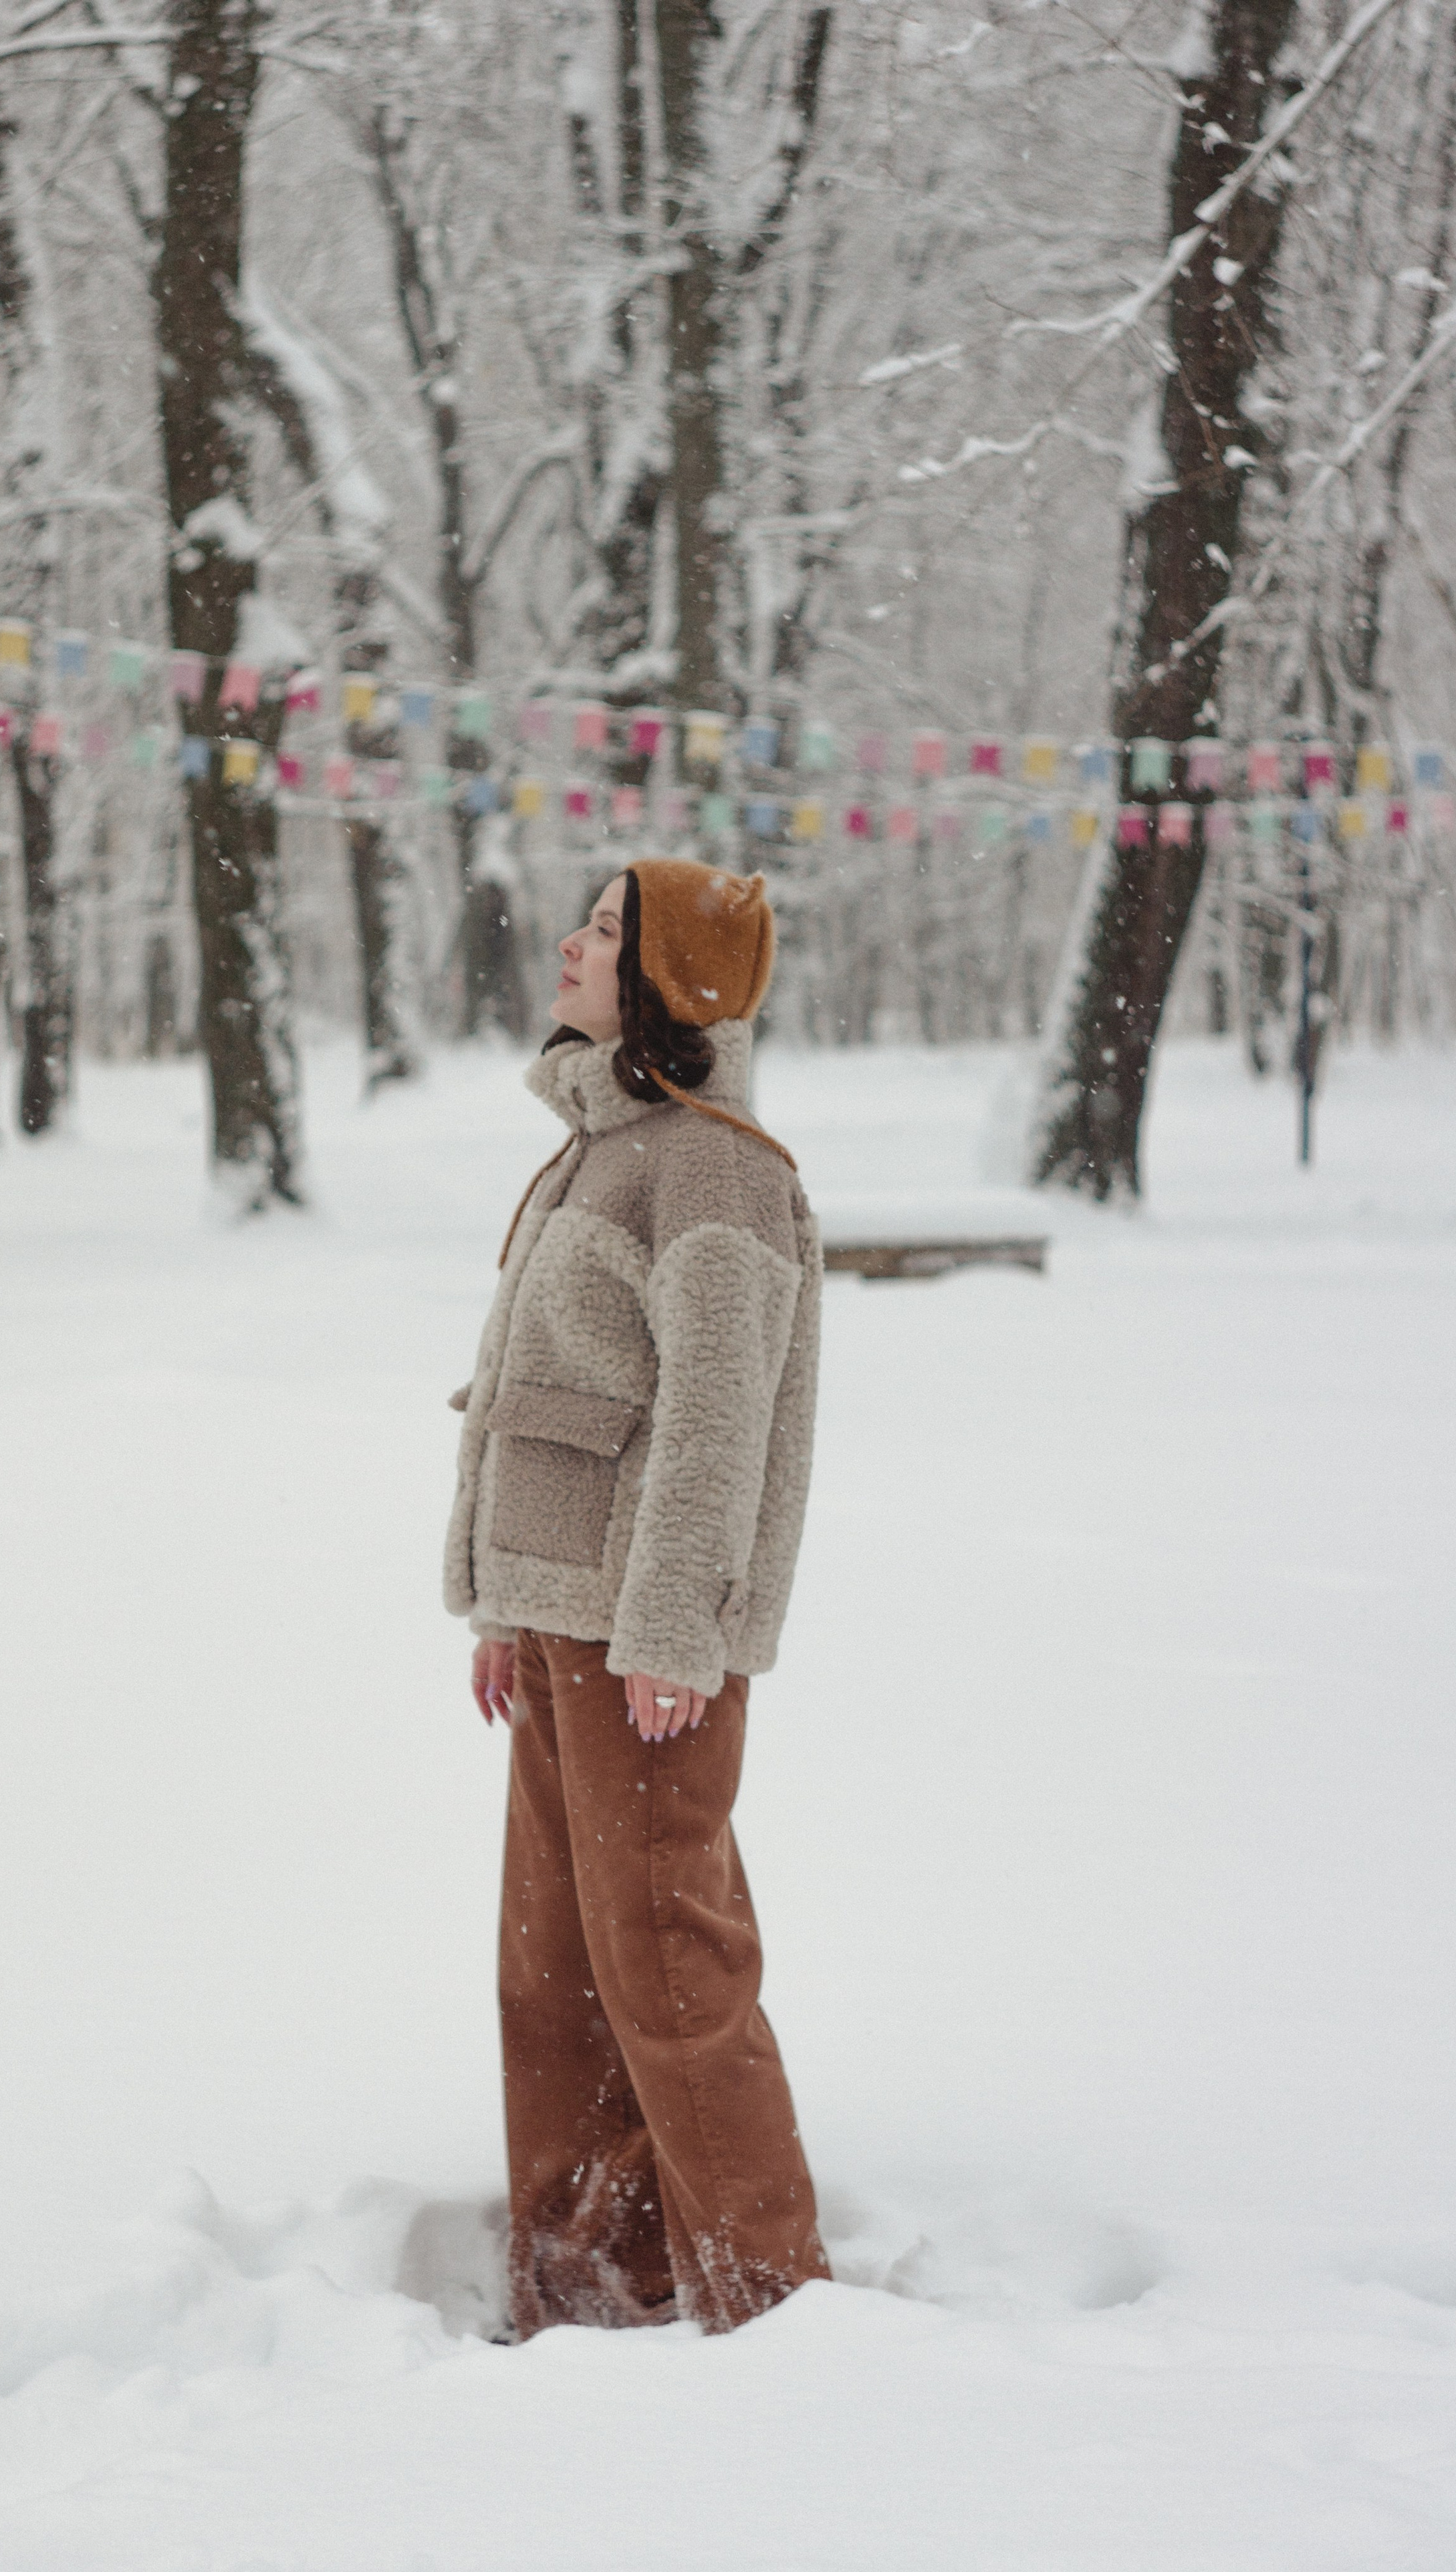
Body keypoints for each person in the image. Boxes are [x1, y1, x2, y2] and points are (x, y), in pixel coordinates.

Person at [443, 857, 831, 2339]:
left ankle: (770, 2300)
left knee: (669, 1969)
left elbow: (714, 1424)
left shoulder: (715, 1168)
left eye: (606, 932)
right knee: (551, 1976)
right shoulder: (599, 1148)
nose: (571, 943)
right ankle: (598, 2276)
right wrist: (496, 1602)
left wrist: (672, 1630)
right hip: (558, 1621)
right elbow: (541, 1397)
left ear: (676, 980)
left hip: (638, 1641)